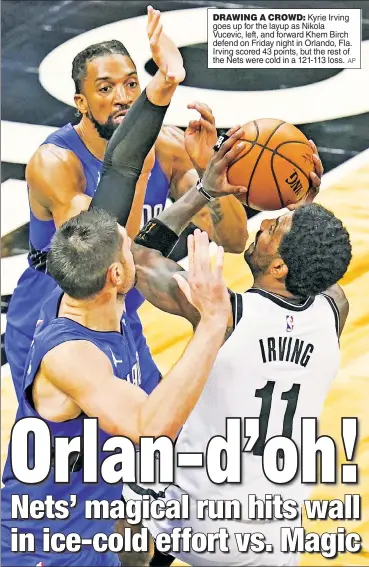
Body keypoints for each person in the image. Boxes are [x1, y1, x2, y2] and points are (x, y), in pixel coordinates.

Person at [1, 129, 249, 567]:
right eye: (128, 252)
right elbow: (147, 428)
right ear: (117, 277)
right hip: (49, 549)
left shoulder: (94, 301)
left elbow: (146, 242)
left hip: (97, 527)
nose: (138, 250)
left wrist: (204, 190)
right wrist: (211, 323)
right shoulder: (70, 355)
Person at [120, 139, 352, 567]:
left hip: (195, 529)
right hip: (274, 539)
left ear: (280, 267)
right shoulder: (334, 309)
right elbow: (323, 267)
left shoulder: (223, 314)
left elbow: (138, 257)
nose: (262, 225)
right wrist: (299, 207)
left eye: (273, 230)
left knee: (129, 487)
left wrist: (205, 190)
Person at [5, 5, 247, 401]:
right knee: (73, 456)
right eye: (105, 88)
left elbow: (234, 239)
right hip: (53, 324)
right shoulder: (56, 164)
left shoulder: (168, 146)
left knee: (151, 443)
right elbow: (107, 264)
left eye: (132, 85)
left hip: (119, 317)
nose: (122, 99)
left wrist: (209, 175)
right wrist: (138, 162)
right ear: (80, 102)